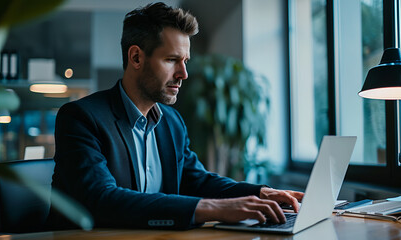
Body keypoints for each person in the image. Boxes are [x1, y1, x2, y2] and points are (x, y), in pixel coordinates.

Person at [48, 2, 303, 230]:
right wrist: (212, 209)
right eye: (172, 60)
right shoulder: (81, 118)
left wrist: (261, 193)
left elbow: (198, 181)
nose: (184, 73)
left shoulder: (171, 122)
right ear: (136, 57)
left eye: (185, 61)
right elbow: (102, 199)